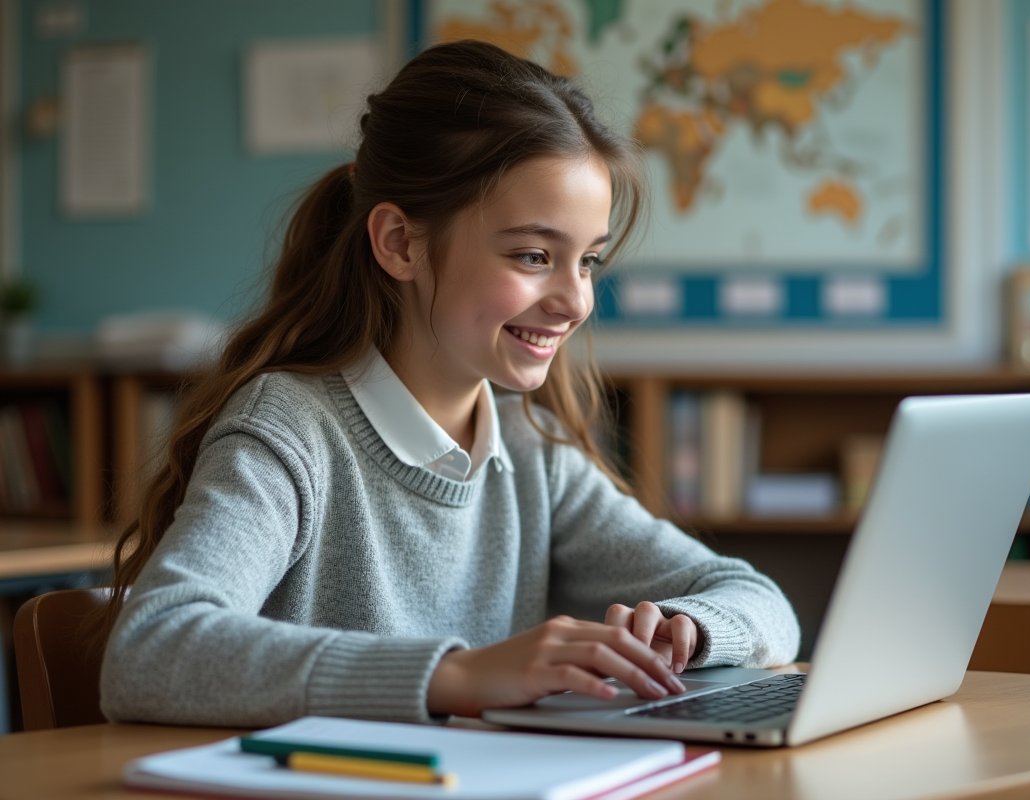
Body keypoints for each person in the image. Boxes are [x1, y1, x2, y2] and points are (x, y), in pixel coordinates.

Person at [99, 40, 800, 727]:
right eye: (533, 255)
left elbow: (759, 601)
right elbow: (151, 649)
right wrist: (455, 675)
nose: (575, 300)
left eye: (587, 261)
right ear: (400, 243)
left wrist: (691, 629)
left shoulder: (531, 453)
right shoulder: (288, 432)